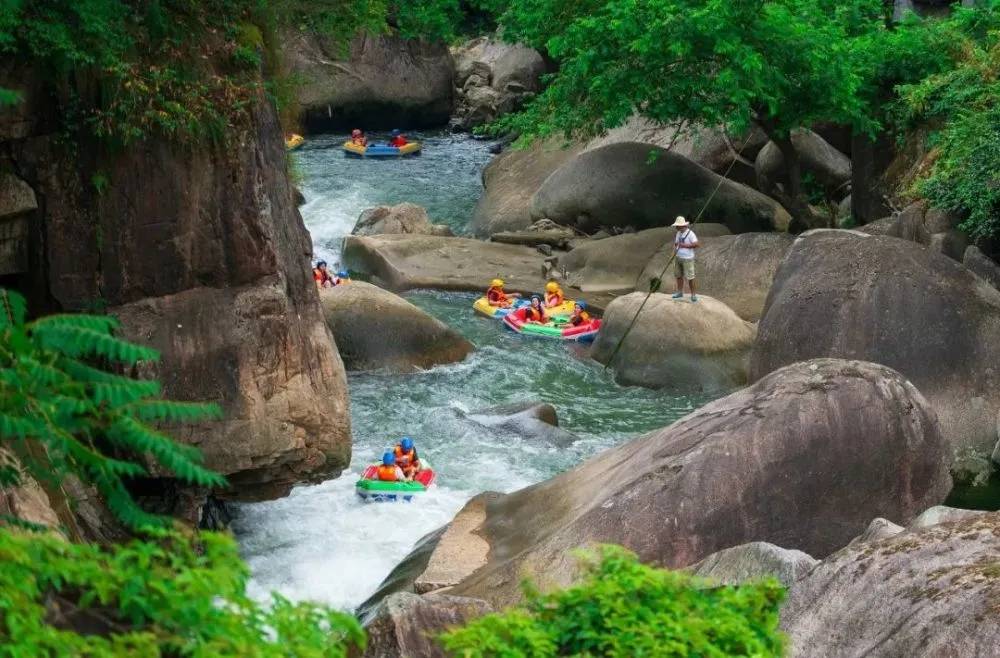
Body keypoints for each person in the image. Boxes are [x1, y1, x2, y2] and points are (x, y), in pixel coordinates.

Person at [671, 216, 699, 302]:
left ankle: (693, 295)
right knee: (679, 276)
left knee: (690, 277)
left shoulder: (690, 233)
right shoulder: (678, 233)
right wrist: (674, 251)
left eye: (677, 225)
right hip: (678, 257)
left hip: (688, 258)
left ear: (681, 225)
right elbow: (676, 244)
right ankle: (680, 292)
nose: (676, 227)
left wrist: (685, 246)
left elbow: (696, 244)